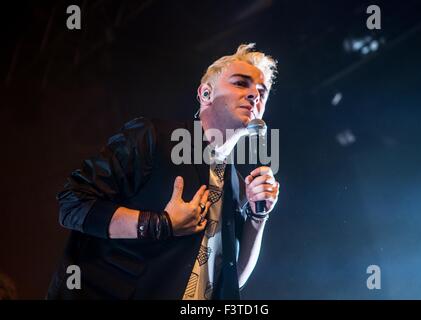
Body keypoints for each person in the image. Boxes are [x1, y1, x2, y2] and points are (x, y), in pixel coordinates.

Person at [47, 43, 280, 300]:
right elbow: (72, 203)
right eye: (240, 83)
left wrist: (259, 218)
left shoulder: (235, 183)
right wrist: (159, 224)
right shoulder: (153, 137)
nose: (254, 95)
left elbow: (230, 282)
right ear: (205, 94)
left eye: (262, 91)